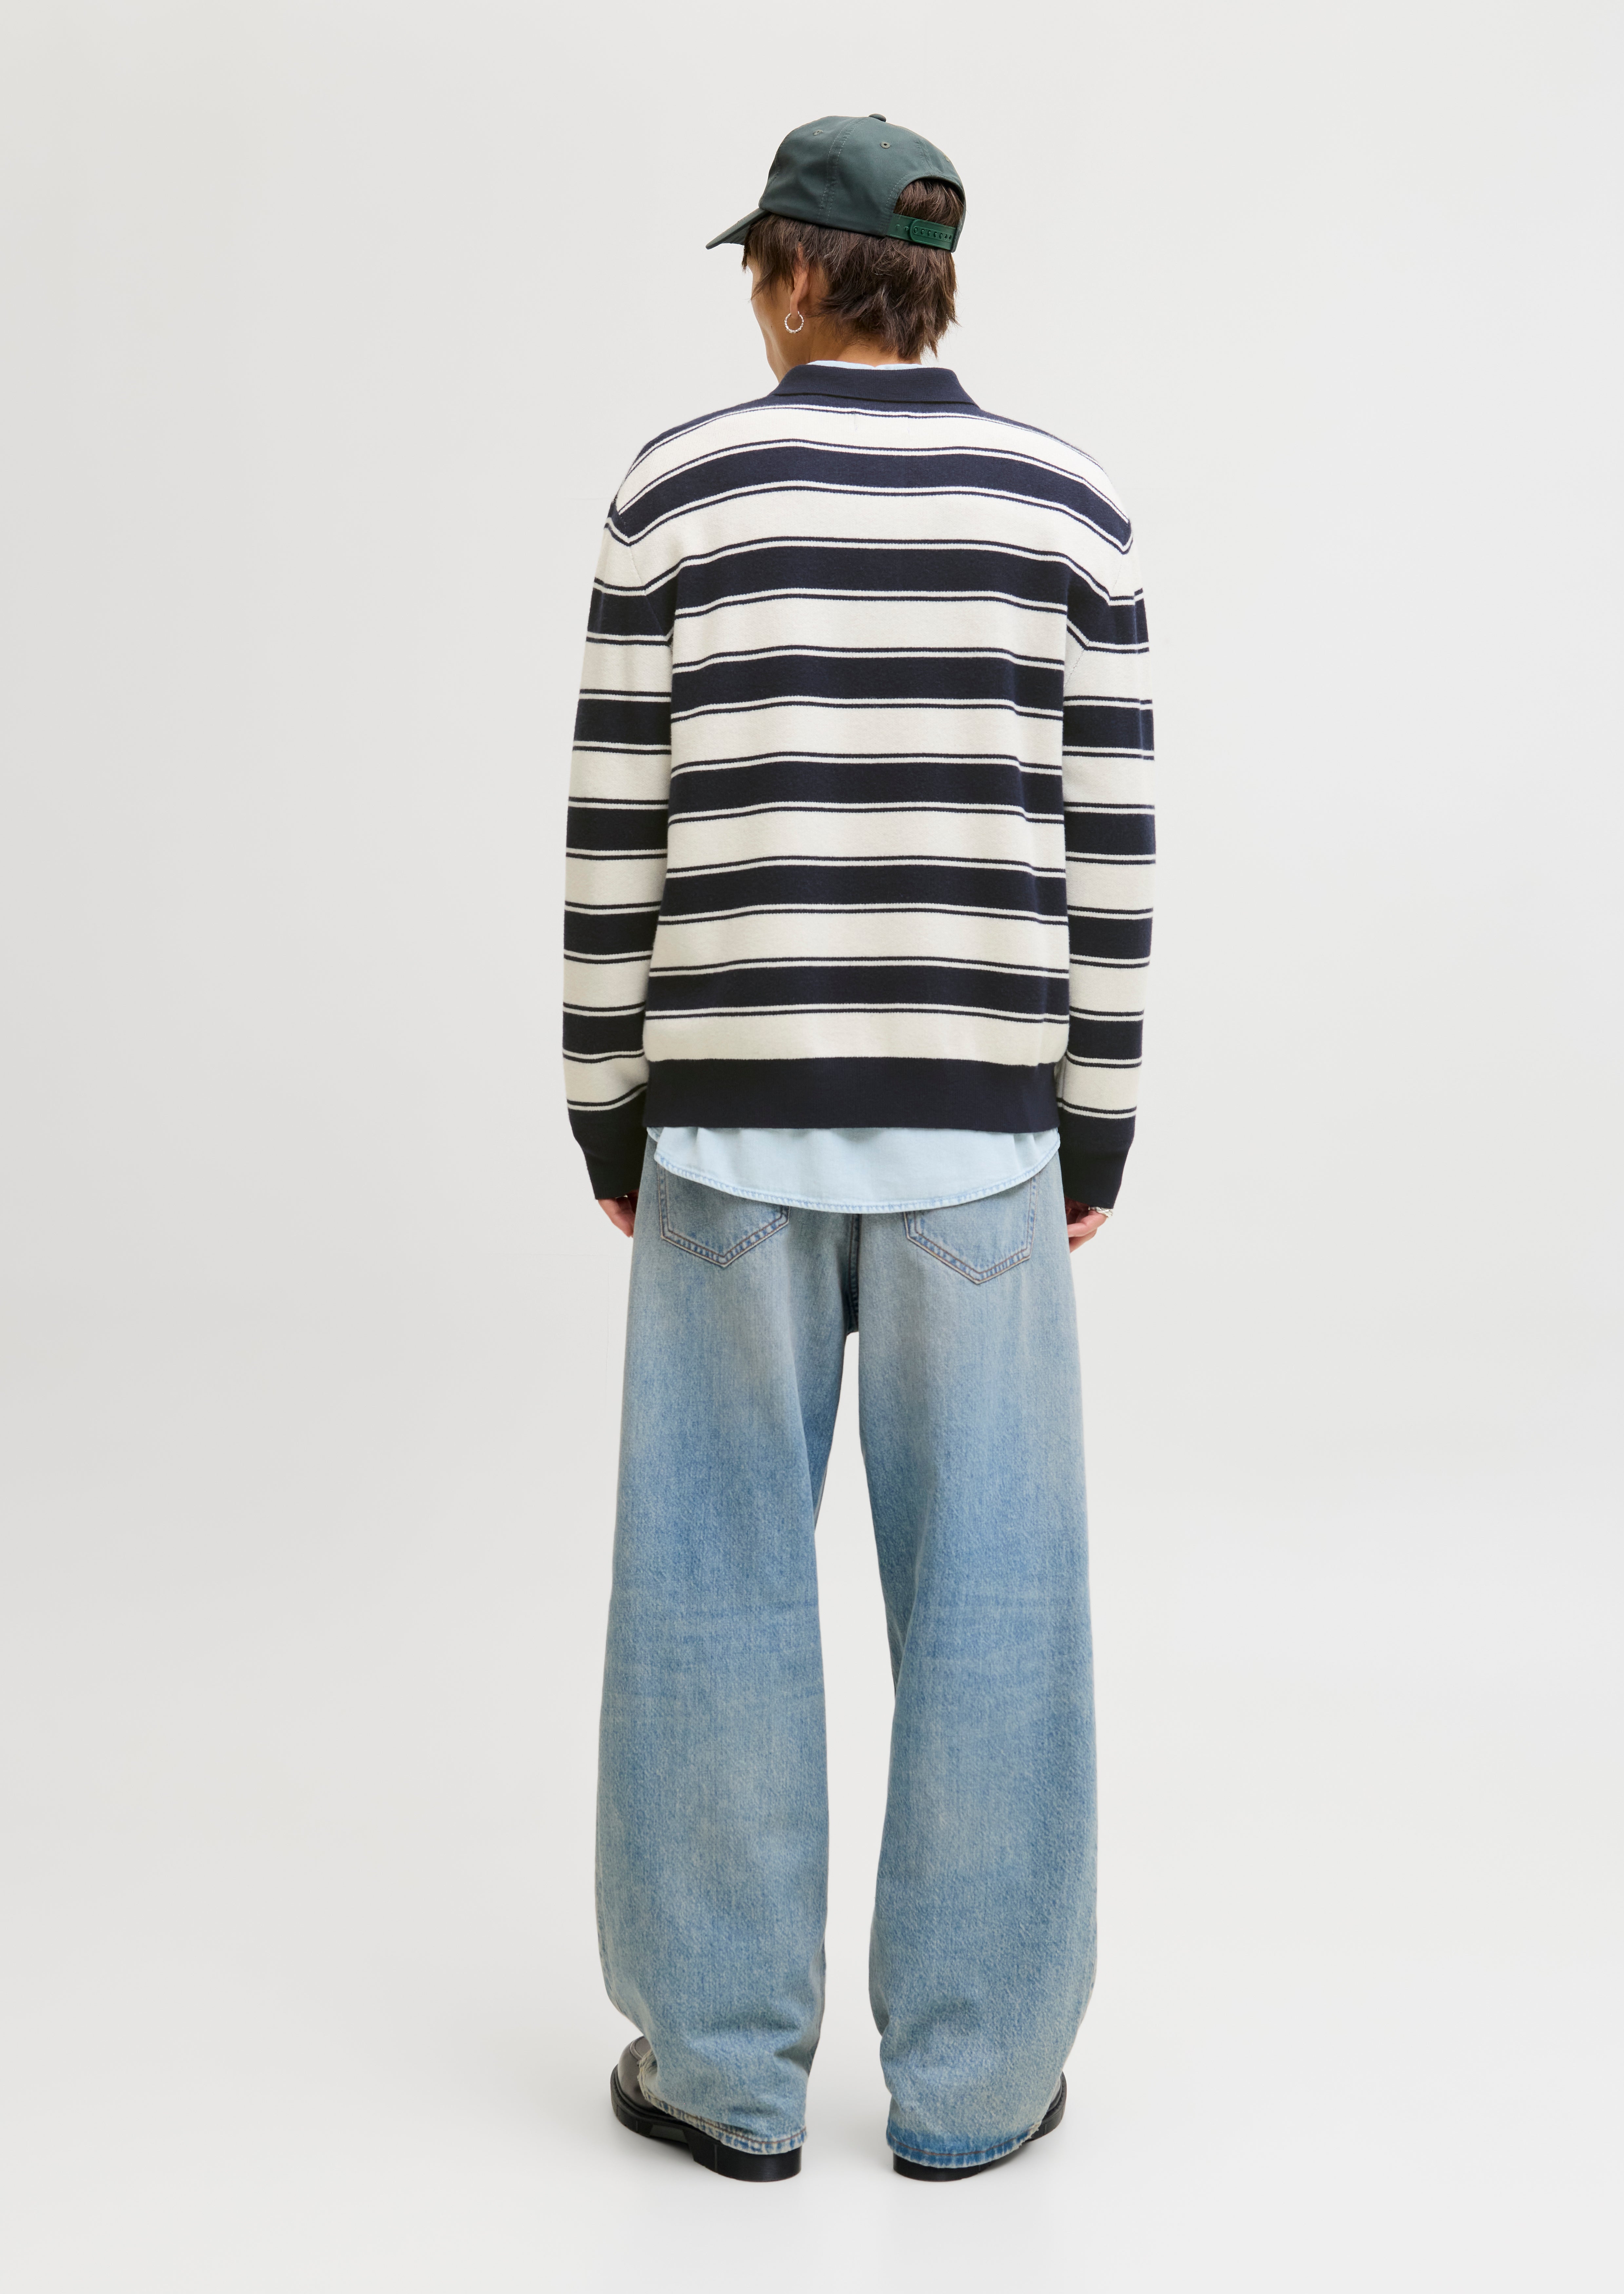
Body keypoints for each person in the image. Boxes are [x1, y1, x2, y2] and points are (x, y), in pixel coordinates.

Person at [564, 112, 1153, 2183]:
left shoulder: (675, 491)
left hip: (727, 1129)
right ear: (929, 285)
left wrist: (604, 1102)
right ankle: (975, 2081)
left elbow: (615, 827)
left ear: (800, 276)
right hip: (980, 1142)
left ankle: (723, 2069)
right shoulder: (1067, 506)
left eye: (761, 266)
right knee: (998, 1604)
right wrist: (1092, 1127)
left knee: (709, 1590)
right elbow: (1109, 851)